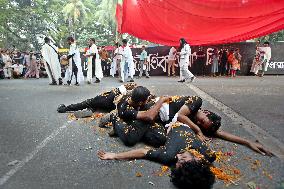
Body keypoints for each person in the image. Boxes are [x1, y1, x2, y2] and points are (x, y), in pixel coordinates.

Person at [98, 122, 216, 189]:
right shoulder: (209, 155)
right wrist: (199, 131)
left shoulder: (168, 155)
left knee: (133, 138)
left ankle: (117, 121)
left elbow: (143, 152)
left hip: (165, 125)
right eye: (184, 158)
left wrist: (115, 155)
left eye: (177, 163)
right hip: (179, 119)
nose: (178, 157)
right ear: (198, 159)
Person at [57, 83, 137, 113]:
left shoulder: (124, 92)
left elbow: (117, 100)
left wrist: (117, 101)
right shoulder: (126, 90)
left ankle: (64, 109)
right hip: (108, 102)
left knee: (87, 102)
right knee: (95, 104)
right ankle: (92, 109)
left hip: (107, 100)